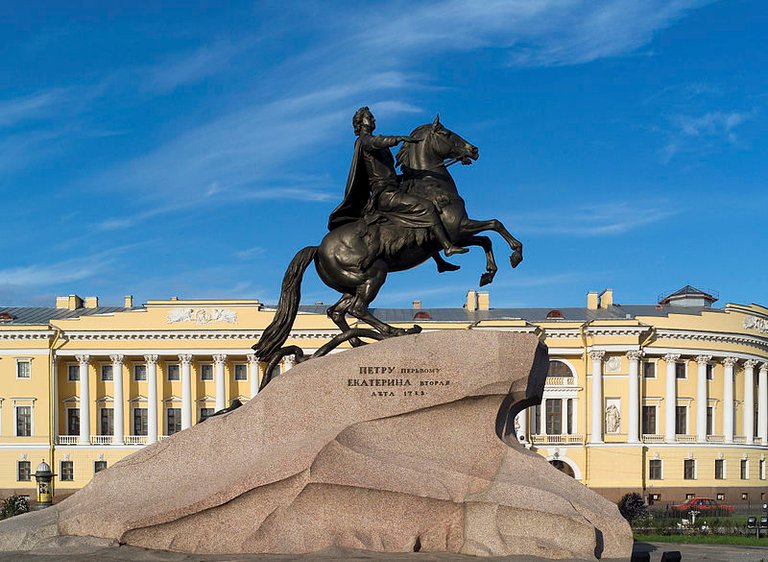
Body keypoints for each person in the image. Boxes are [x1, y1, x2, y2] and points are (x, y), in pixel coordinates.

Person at [328, 107, 467, 257]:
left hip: (393, 188)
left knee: (422, 198)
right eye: (369, 117)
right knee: (426, 207)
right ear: (360, 123)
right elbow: (376, 142)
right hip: (385, 195)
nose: (373, 120)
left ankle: (438, 259)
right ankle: (447, 247)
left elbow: (387, 172)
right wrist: (397, 139)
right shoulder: (363, 141)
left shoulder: (372, 143)